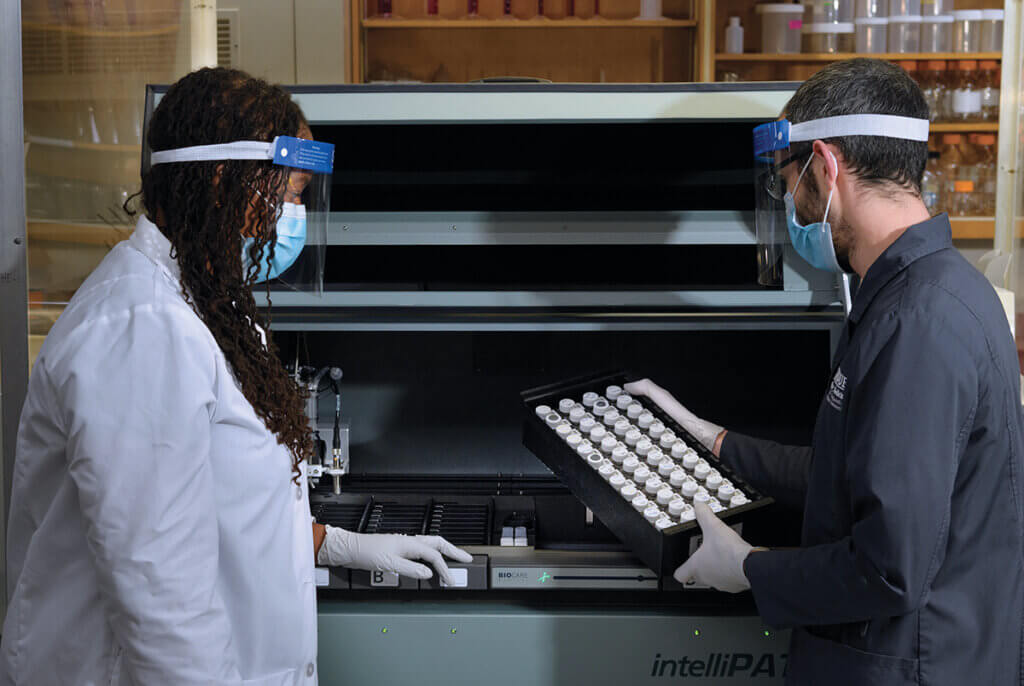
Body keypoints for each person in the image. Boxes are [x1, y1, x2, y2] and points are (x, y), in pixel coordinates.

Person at [0, 67, 470, 685]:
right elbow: (163, 603)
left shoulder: (204, 305)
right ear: (224, 180)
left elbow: (215, 507)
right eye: (291, 192)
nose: (292, 217)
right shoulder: (144, 331)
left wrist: (333, 542)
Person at [629, 59, 1024, 685]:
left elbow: (890, 567)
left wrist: (751, 568)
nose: (789, 201)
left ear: (826, 165)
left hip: (908, 667)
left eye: (790, 180)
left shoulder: (918, 324)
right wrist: (716, 441)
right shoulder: (930, 293)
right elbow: (856, 473)